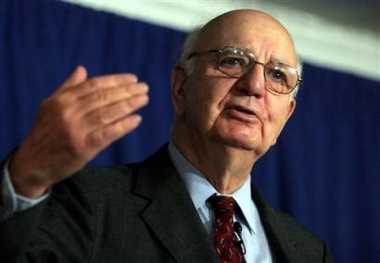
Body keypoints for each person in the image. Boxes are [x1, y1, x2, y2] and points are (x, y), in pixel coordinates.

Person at [0, 9, 333, 263]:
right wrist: (27, 175)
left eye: (277, 75)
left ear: (286, 116)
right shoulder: (90, 202)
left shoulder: (308, 251)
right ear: (181, 87)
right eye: (233, 60)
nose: (255, 85)